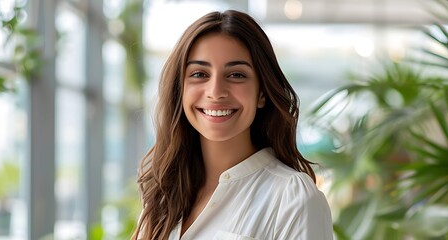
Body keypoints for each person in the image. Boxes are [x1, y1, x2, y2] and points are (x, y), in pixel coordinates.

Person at [133, 9, 333, 240]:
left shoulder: (292, 199)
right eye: (199, 74)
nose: (216, 92)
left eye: (236, 75)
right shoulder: (163, 197)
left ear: (262, 93)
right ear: (181, 91)